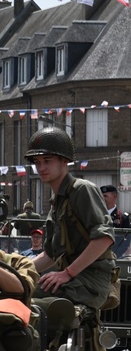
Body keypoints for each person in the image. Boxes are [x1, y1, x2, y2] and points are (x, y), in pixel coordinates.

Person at [26, 128, 116, 310]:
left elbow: (104, 238)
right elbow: (50, 255)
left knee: (26, 302)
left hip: (89, 283)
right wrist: (17, 270)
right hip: (75, 280)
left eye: (47, 161)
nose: (41, 168)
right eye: (37, 162)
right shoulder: (58, 200)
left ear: (64, 161)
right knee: (16, 289)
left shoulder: (81, 190)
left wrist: (68, 273)